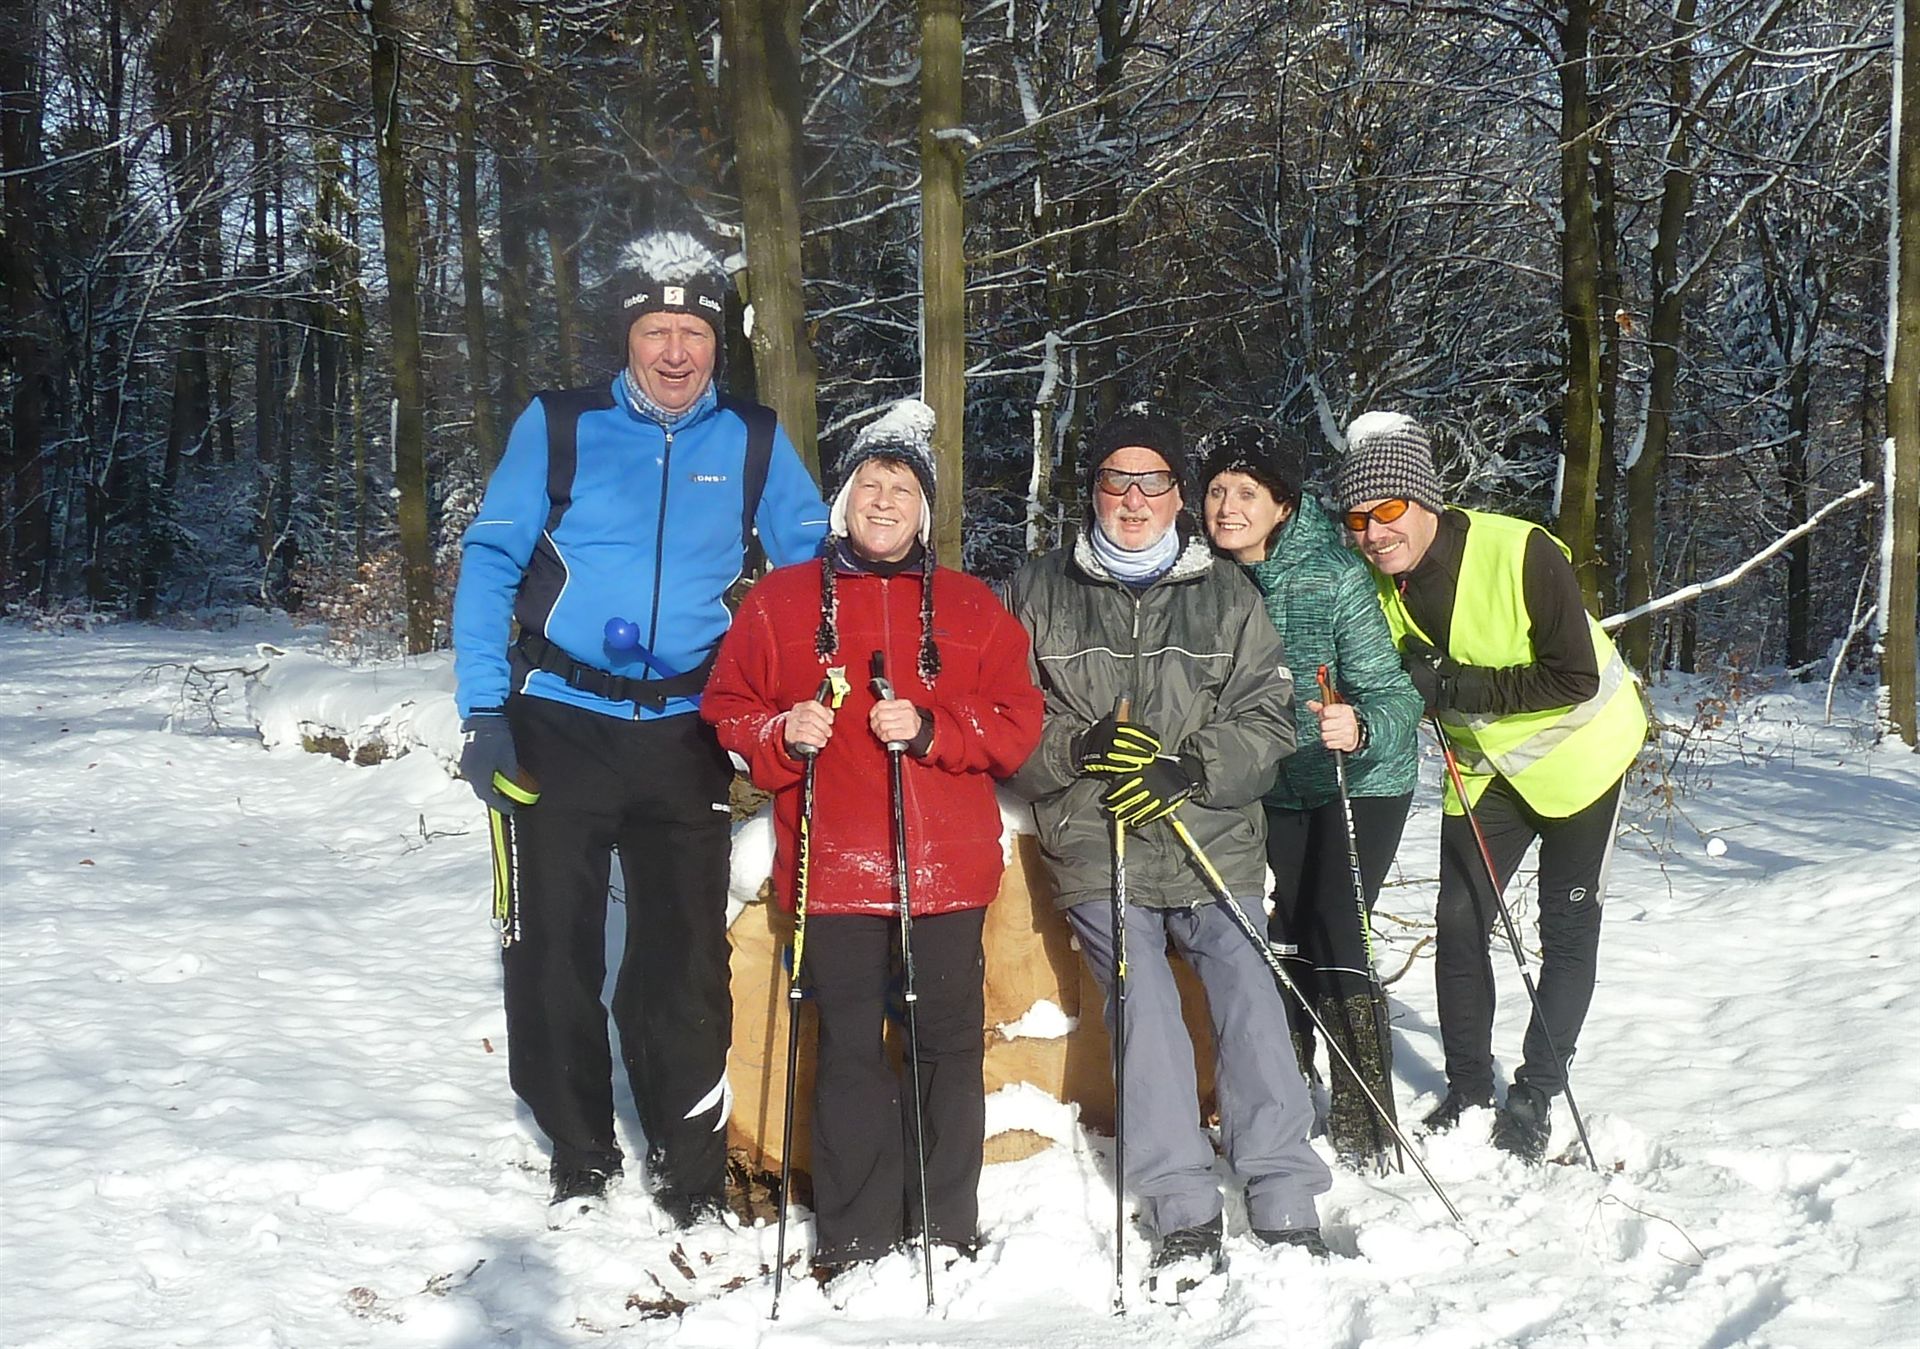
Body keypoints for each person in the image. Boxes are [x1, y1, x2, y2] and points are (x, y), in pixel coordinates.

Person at [450, 230, 829, 1228]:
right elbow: (491, 562)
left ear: (717, 344)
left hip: (684, 729)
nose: (674, 352)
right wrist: (483, 710)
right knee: (553, 949)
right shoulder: (561, 425)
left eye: (692, 333)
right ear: (627, 337)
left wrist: (802, 697)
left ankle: (690, 1163)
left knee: (685, 958)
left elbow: (813, 579)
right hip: (559, 717)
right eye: (656, 331)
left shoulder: (752, 439)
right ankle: (581, 1151)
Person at [703, 401, 1043, 1271]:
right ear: (843, 499)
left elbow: (1017, 722)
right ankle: (856, 1236)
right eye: (870, 484)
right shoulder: (780, 601)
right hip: (833, 867)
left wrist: (934, 728)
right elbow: (728, 710)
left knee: (947, 1047)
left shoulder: (971, 605)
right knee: (850, 1048)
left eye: (902, 488)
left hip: (946, 869)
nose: (884, 501)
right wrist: (783, 731)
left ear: (925, 510)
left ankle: (945, 1223)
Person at [1006, 411, 1332, 1296]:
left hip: (1208, 837)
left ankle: (1282, 1184)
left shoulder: (1227, 594)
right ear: (1094, 491)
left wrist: (1191, 767)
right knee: (1141, 999)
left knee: (1249, 985)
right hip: (1098, 836)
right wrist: (1078, 747)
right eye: (1116, 480)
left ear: (1178, 496)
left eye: (1152, 481)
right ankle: (1180, 1198)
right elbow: (1005, 718)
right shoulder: (1038, 590)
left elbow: (1269, 718)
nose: (1134, 498)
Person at [1335, 410, 1646, 1163]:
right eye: (1358, 518)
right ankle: (1469, 1089)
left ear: (1424, 499)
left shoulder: (1521, 552)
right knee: (1459, 922)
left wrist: (1453, 685)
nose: (1374, 532)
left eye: (1388, 509)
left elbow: (1573, 677)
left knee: (1565, 929)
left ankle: (1535, 1094)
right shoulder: (1377, 584)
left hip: (1583, 761)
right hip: (1484, 771)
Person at [1197, 420, 1423, 1171]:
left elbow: (1395, 696)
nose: (1228, 506)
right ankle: (1290, 1090)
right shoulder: (1204, 579)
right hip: (1271, 784)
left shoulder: (1333, 574)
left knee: (1337, 929)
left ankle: (1368, 1123)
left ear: (1284, 503)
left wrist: (1360, 725)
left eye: (1247, 491)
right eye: (1217, 490)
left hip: (1356, 779)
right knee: (1284, 931)